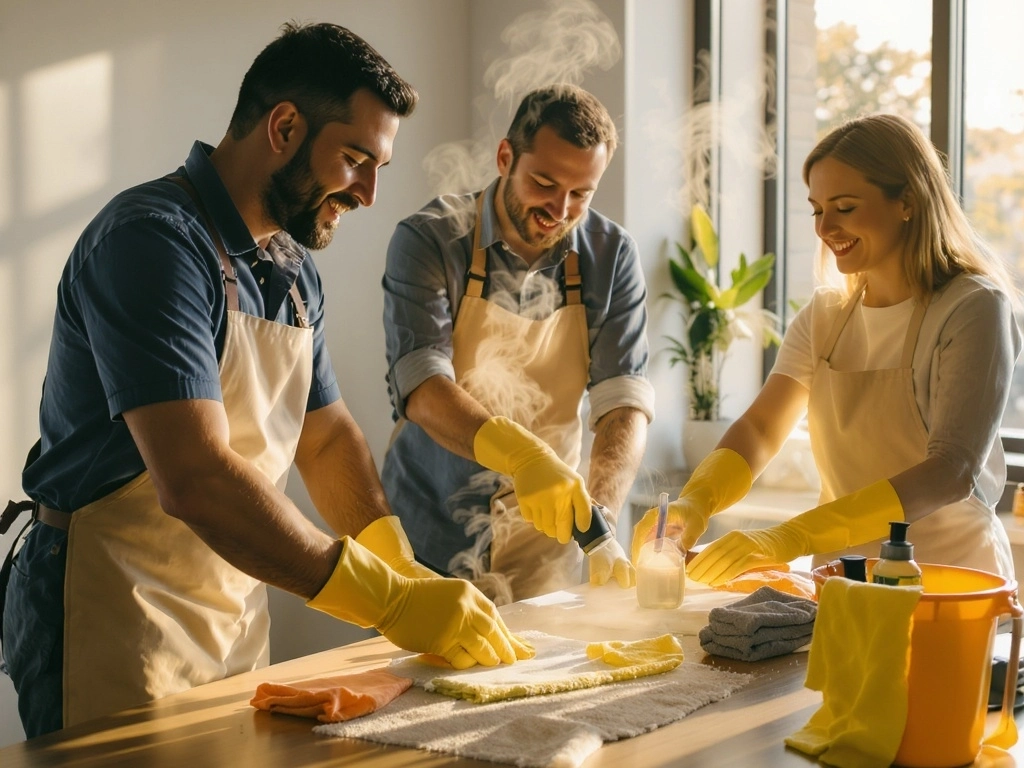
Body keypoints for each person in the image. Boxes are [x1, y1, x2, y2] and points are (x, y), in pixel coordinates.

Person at [0, 21, 529, 740]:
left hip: (229, 608)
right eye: (355, 159)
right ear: (283, 127)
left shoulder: (292, 269)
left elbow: (325, 437)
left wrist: (396, 559)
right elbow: (197, 479)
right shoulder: (152, 242)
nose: (371, 193)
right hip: (111, 608)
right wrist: (387, 602)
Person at [633, 112, 1021, 586]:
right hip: (842, 582)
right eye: (818, 209)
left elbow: (951, 470)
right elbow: (759, 428)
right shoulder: (826, 315)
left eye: (846, 206)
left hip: (950, 579)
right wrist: (698, 501)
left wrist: (790, 537)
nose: (825, 227)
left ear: (908, 201)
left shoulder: (973, 307)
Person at [380, 84, 654, 603]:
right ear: (506, 157)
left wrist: (600, 524)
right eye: (545, 183)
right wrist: (525, 457)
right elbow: (423, 385)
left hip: (547, 551)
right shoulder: (431, 239)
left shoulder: (611, 255)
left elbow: (623, 403)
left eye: (582, 194)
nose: (561, 208)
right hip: (428, 537)